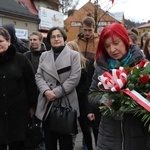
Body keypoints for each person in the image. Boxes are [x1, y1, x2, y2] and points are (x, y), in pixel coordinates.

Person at [88, 22, 150, 150]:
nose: (112, 49)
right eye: (107, 46)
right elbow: (91, 95)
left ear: (125, 39)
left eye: (116, 43)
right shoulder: (101, 67)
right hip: (108, 137)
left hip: (138, 137)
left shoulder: (143, 65)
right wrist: (104, 100)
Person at [35, 27, 81, 150]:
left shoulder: (74, 55)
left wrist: (56, 93)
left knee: (66, 143)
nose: (56, 39)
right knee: (49, 143)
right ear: (49, 40)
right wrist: (46, 91)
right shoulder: (44, 56)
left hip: (65, 104)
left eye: (59, 36)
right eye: (53, 37)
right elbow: (38, 76)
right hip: (47, 104)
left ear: (64, 38)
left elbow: (74, 78)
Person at [0, 27, 37, 150]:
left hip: (18, 113)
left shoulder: (21, 59)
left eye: (0, 41)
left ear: (8, 41)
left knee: (17, 144)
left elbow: (31, 84)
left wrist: (32, 106)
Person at [74, 16, 99, 150]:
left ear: (94, 28)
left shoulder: (99, 41)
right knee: (83, 119)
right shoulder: (77, 41)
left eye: (89, 30)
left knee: (93, 119)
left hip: (94, 78)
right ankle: (86, 145)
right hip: (80, 79)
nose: (87, 33)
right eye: (85, 30)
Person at [67, 41, 94, 150]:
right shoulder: (66, 63)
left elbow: (87, 84)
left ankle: (89, 147)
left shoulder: (85, 64)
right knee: (70, 128)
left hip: (82, 99)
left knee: (85, 128)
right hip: (70, 99)